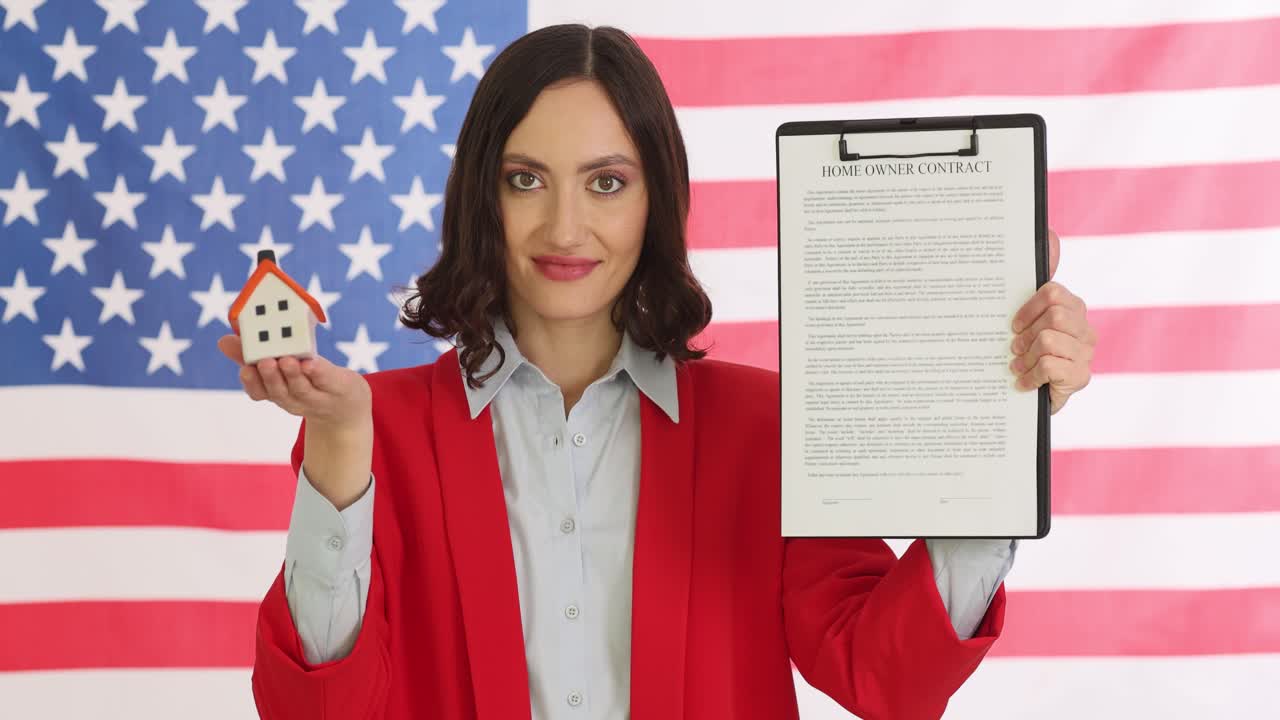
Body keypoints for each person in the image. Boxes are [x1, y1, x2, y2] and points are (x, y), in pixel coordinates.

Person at [218, 24, 1096, 720]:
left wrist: (1000, 429)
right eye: (527, 180)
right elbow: (311, 710)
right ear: (481, 194)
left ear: (656, 199)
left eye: (606, 183)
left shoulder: (764, 425)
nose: (565, 228)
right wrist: (337, 447)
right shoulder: (378, 428)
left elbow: (888, 681)